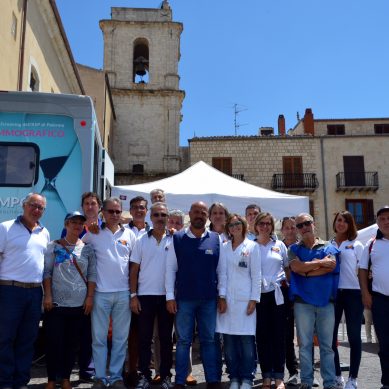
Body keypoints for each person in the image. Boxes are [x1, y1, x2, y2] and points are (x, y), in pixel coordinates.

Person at [166, 201, 223, 389]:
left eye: (203, 212)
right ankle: (180, 380)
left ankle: (213, 379)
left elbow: (221, 271)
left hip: (209, 299)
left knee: (209, 340)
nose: (199, 215)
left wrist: (221, 295)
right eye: (196, 212)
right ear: (189, 214)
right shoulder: (178, 238)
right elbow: (170, 269)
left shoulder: (216, 239)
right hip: (184, 299)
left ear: (207, 216)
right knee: (183, 341)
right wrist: (169, 296)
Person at [83, 197, 136, 389]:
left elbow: (135, 265)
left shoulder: (130, 235)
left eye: (117, 211)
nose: (115, 215)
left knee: (121, 339)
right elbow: (78, 252)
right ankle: (99, 377)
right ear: (102, 213)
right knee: (98, 339)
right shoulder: (92, 234)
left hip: (123, 294)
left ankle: (115, 378)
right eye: (111, 211)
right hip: (100, 294)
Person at [0, 193, 50, 389]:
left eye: (40, 208)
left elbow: (44, 265)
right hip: (9, 290)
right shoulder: (5, 228)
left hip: (34, 292)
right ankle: (4, 381)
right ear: (23, 205)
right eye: (33, 205)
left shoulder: (44, 232)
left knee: (27, 339)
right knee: (5, 338)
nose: (36, 210)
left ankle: (21, 381)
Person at [43, 212, 97, 389]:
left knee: (71, 344)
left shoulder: (88, 249)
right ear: (66, 224)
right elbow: (47, 272)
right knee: (54, 343)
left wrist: (89, 298)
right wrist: (48, 295)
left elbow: (92, 275)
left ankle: (65, 377)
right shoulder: (54, 246)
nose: (77, 226)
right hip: (57, 304)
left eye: (80, 223)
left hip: (79, 305)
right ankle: (51, 379)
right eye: (73, 222)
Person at [288, 213, 340, 389]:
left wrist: (306, 271)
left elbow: (331, 267)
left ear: (313, 224)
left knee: (327, 346)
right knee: (304, 345)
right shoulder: (293, 249)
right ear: (297, 229)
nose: (304, 227)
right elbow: (295, 267)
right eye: (300, 225)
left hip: (326, 302)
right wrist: (319, 263)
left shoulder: (328, 246)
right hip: (302, 303)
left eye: (307, 223)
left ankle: (330, 382)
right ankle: (307, 381)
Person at [130, 202, 175, 389]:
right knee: (144, 339)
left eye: (163, 215)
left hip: (167, 297)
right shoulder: (141, 240)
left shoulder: (175, 240)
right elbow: (134, 270)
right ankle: (144, 376)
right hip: (145, 296)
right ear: (150, 217)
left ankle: (165, 375)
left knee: (166, 340)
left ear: (167, 218)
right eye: (156, 215)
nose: (159, 218)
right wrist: (133, 295)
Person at [217, 214, 261, 389]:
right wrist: (221, 297)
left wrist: (254, 299)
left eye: (238, 224)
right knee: (228, 342)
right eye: (231, 224)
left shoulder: (252, 246)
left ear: (243, 226)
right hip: (227, 301)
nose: (234, 227)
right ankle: (234, 377)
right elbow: (222, 274)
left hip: (245, 301)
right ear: (228, 228)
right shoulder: (224, 247)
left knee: (246, 341)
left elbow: (256, 275)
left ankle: (247, 378)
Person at [62, 192, 102, 382]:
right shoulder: (74, 226)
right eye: (86, 203)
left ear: (99, 206)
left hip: (102, 287)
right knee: (77, 332)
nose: (89, 206)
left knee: (93, 332)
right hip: (79, 287)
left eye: (93, 203)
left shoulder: (106, 226)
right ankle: (67, 372)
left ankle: (88, 369)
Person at [330, 211, 364, 389]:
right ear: (334, 223)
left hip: (353, 294)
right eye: (338, 220)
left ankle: (353, 378)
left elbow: (363, 271)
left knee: (354, 337)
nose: (341, 223)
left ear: (350, 224)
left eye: (345, 221)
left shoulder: (357, 245)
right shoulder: (328, 245)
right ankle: (337, 375)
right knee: (330, 338)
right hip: (334, 295)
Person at [254, 212, 288, 389]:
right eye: (262, 223)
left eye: (268, 223)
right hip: (258, 296)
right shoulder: (251, 246)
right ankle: (266, 376)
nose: (265, 226)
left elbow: (287, 269)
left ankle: (279, 377)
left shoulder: (280, 245)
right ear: (256, 226)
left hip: (277, 294)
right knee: (262, 337)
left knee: (278, 336)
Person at [359, 206, 389, 389]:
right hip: (380, 300)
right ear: (377, 222)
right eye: (382, 218)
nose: (386, 221)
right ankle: (387, 382)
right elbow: (362, 270)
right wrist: (365, 293)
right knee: (385, 343)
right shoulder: (371, 245)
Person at [280, 217, 300, 387]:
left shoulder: (302, 247)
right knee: (287, 335)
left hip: (303, 296)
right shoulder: (278, 247)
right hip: (284, 297)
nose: (290, 230)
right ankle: (292, 370)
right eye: (286, 227)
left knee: (305, 335)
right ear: (282, 230)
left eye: (293, 227)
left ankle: (308, 371)